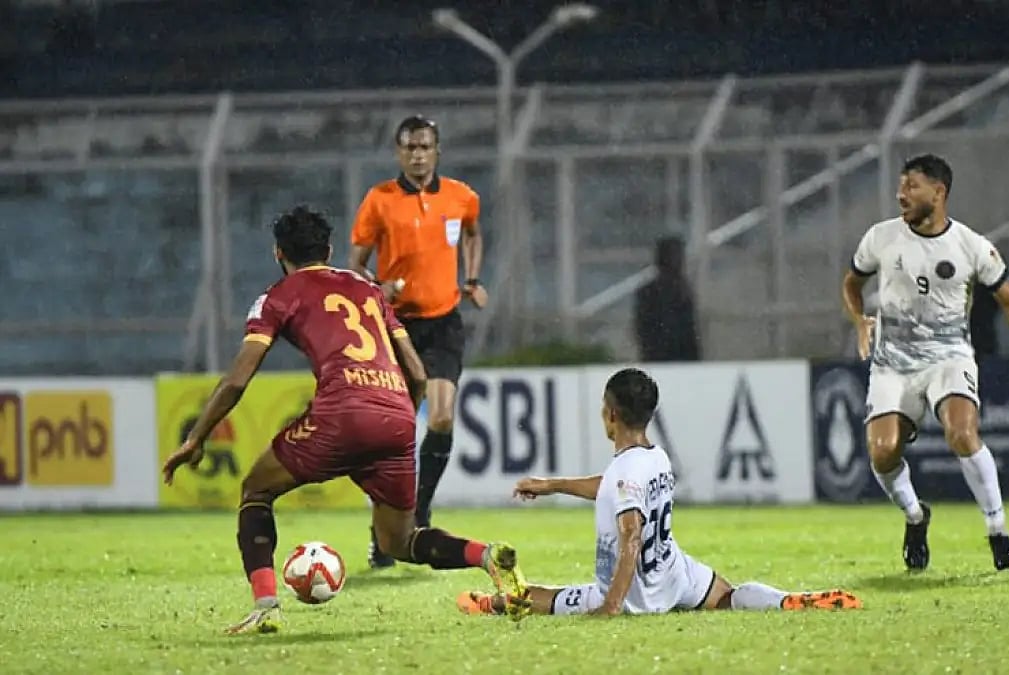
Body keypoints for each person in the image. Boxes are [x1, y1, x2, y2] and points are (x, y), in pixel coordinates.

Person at [161, 206, 524, 634]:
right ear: (330, 250)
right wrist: (397, 419)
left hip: (342, 413)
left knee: (256, 491)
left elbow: (237, 380)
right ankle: (485, 554)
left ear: (278, 253)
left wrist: (196, 437)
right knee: (400, 541)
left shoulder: (277, 296)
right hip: (396, 414)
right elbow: (417, 373)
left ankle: (266, 607)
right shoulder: (367, 289)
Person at [455, 368, 862, 620]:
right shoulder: (655, 457)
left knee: (540, 597)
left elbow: (631, 534)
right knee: (729, 597)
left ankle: (489, 604)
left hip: (638, 593)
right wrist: (552, 485)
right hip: (674, 572)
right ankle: (788, 601)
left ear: (611, 414)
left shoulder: (626, 472)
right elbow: (613, 489)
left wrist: (612, 605)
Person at [841, 154, 1009, 572]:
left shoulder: (971, 246)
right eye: (901, 186)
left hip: (949, 358)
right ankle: (916, 516)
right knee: (882, 452)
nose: (901, 194)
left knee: (961, 433)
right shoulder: (881, 237)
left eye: (911, 186)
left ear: (938, 192)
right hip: (892, 363)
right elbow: (852, 284)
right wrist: (859, 321)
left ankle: (998, 530)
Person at [349, 115, 488, 568]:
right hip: (397, 328)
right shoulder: (379, 200)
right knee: (395, 434)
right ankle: (384, 531)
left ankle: (420, 511)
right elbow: (355, 265)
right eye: (409, 147)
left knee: (442, 417)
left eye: (424, 146)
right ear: (398, 152)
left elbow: (473, 232)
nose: (417, 155)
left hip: (444, 322)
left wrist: (471, 279)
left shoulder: (461, 196)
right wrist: (379, 286)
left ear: (437, 150)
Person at [634, 236, 702, 362]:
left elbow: (690, 331)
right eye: (675, 256)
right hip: (659, 359)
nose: (679, 261)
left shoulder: (683, 290)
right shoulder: (650, 292)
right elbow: (645, 329)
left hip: (682, 358)